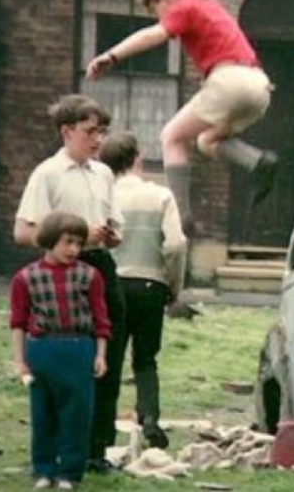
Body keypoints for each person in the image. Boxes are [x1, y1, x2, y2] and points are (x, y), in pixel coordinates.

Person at [85, 0, 278, 230]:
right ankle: (258, 161)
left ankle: (181, 217)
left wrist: (112, 56)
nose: (161, 18)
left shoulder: (183, 6)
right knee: (207, 140)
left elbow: (153, 35)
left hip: (228, 81)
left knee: (171, 137)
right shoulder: (204, 0)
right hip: (260, 86)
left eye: (156, 11)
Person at [14, 94, 127, 474]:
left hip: (102, 268)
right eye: (89, 132)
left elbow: (115, 226)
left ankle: (96, 448)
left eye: (102, 132)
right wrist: (73, 238)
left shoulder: (105, 173)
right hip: (63, 273)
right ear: (66, 131)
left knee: (108, 355)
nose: (97, 140)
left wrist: (109, 238)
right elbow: (23, 231)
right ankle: (58, 450)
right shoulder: (47, 173)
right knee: (68, 364)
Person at [10, 210, 112, 490]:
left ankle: (69, 473)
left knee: (77, 416)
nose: (74, 249)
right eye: (67, 242)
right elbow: (18, 322)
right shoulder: (25, 278)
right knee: (43, 414)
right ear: (50, 240)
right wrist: (20, 361)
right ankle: (43, 469)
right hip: (42, 349)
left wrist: (100, 354)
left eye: (79, 243)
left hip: (80, 349)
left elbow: (101, 319)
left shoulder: (90, 276)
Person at [99, 131, 187, 450]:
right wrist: (173, 286)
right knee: (146, 359)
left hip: (112, 285)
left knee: (110, 357)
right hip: (151, 285)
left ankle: (104, 428)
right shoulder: (161, 196)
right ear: (137, 158)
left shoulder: (103, 198)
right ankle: (149, 419)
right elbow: (176, 244)